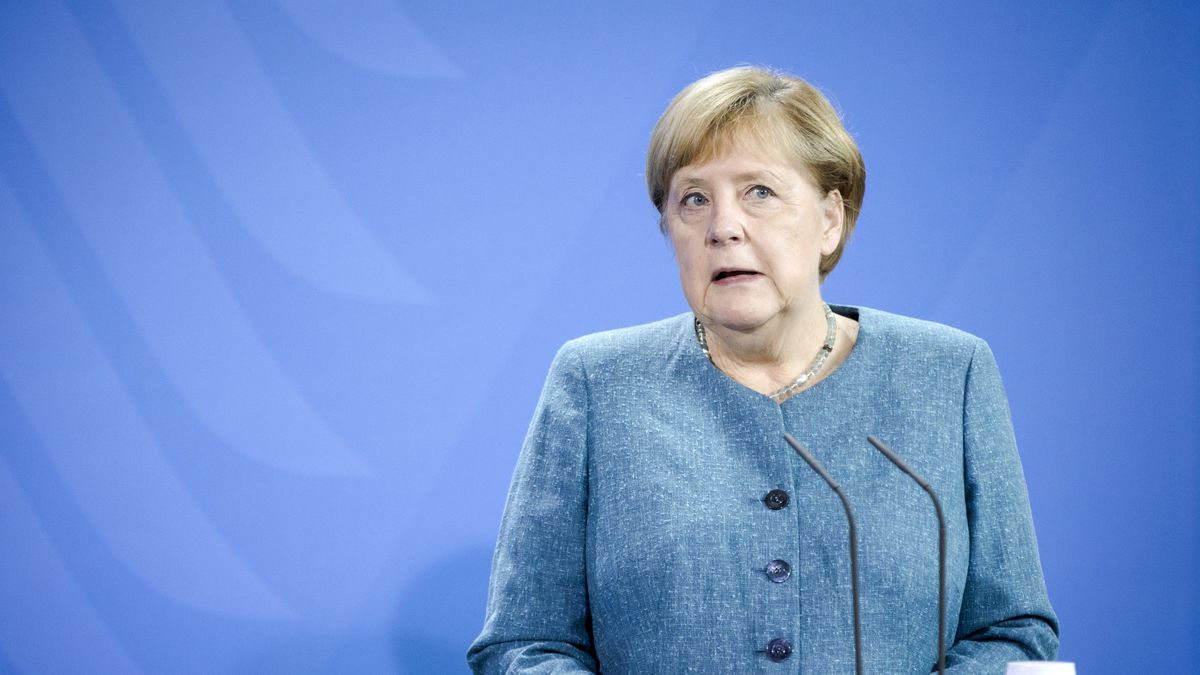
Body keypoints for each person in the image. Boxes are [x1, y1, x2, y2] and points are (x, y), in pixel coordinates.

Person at [468, 65, 1058, 673]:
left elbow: (1012, 631)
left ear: (830, 219)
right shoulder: (596, 382)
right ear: (668, 227)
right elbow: (524, 643)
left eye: (760, 192)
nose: (723, 228)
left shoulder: (949, 373)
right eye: (693, 199)